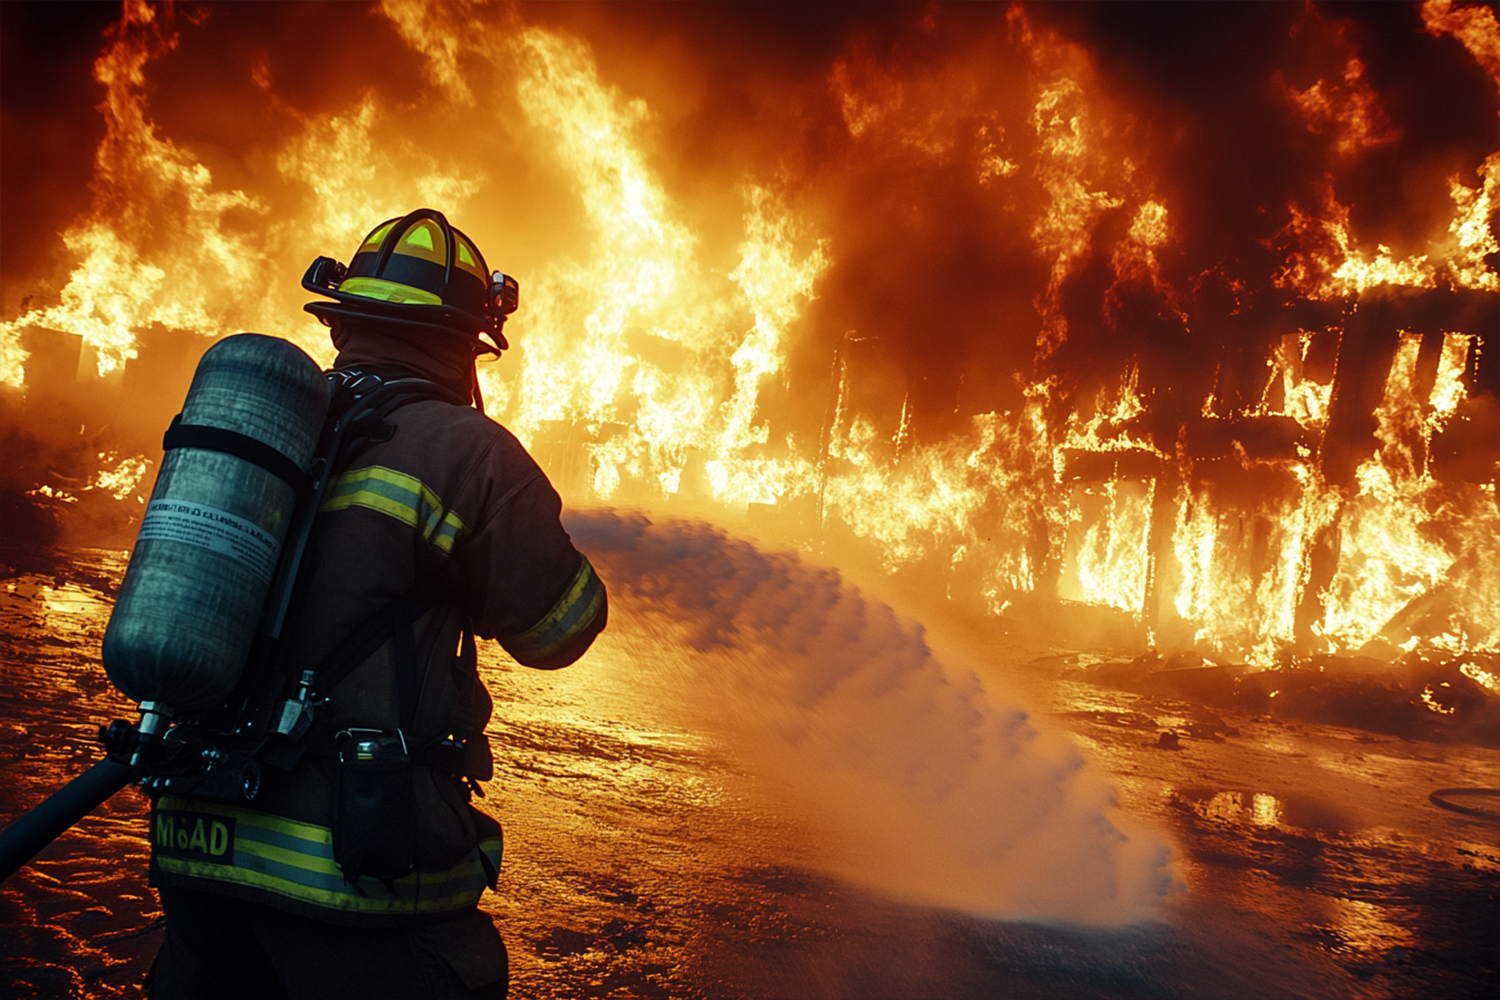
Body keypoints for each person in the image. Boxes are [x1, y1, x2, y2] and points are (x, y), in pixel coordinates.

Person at [146, 209, 607, 999]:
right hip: (351, 868)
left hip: (197, 841)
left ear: (343, 322)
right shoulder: (468, 451)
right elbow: (557, 632)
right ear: (466, 342)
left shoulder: (269, 430)